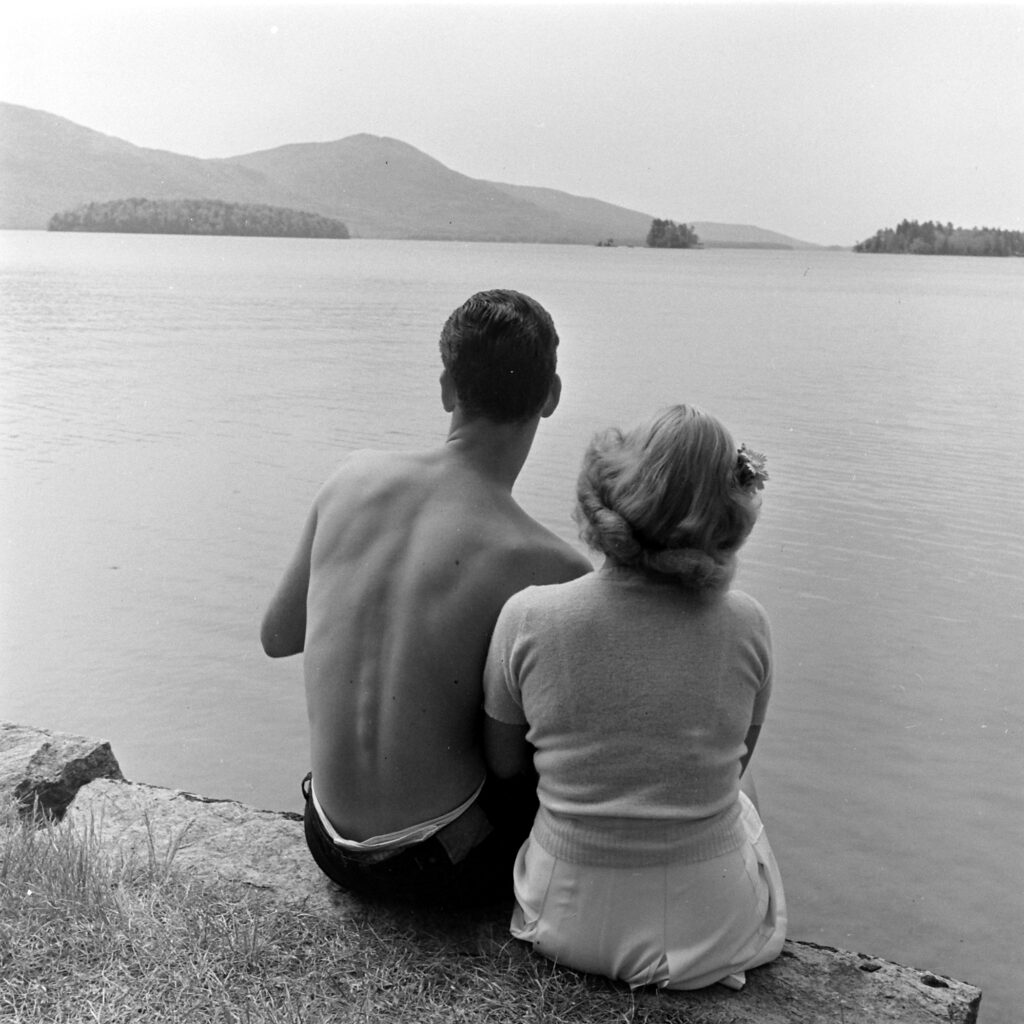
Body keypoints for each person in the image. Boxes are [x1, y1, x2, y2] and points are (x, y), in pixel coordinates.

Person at [260, 289, 592, 907]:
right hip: (445, 865)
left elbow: (278, 638)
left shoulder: (349, 479)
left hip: (326, 843)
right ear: (551, 397)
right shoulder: (554, 565)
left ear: (446, 387)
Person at [483, 404, 787, 989]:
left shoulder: (528, 616)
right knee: (739, 786)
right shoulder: (748, 623)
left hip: (562, 914)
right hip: (712, 925)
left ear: (611, 494)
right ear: (730, 515)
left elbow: (503, 765)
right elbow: (737, 760)